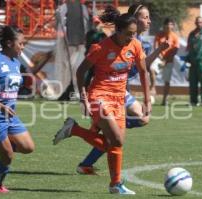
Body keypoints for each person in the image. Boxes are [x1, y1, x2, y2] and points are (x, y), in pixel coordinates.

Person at [53, 13, 151, 194]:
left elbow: (144, 72)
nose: (132, 38)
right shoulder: (101, 47)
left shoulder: (135, 45)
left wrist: (147, 100)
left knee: (115, 144)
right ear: (118, 30)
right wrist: (83, 97)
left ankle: (115, 184)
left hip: (118, 99)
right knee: (117, 140)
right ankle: (114, 182)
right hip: (98, 97)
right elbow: (81, 71)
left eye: (135, 33)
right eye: (129, 34)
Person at [75, 3, 169, 175]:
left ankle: (86, 163)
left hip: (121, 91)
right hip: (107, 91)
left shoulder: (139, 43)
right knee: (138, 121)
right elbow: (87, 67)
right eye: (145, 17)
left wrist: (158, 51)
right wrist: (84, 96)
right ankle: (85, 136)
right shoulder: (115, 40)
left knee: (114, 138)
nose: (149, 21)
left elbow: (143, 69)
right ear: (134, 19)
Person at [0, 25, 35, 193]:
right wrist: (0, 106)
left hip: (9, 115)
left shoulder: (15, 63)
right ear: (9, 43)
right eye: (21, 43)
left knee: (28, 147)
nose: (23, 47)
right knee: (8, 156)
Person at [154, 17, 179, 105]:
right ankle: (152, 90)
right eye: (167, 24)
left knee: (167, 81)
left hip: (169, 61)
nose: (169, 26)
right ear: (164, 26)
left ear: (173, 26)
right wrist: (161, 58)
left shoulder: (175, 36)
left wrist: (166, 60)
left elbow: (174, 51)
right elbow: (156, 47)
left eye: (171, 24)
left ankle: (164, 100)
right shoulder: (159, 35)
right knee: (152, 70)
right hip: (159, 58)